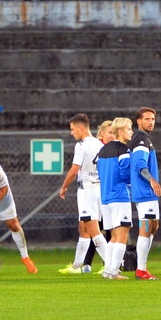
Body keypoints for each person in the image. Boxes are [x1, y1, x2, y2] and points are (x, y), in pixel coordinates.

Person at [58, 114, 109, 275]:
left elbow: (74, 170)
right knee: (84, 227)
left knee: (93, 229)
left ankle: (111, 265)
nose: (71, 133)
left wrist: (64, 187)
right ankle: (77, 265)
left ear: (81, 128)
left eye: (73, 129)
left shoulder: (81, 145)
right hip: (98, 188)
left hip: (87, 189)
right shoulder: (99, 144)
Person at [96, 117, 134, 280]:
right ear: (120, 131)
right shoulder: (124, 150)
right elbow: (126, 173)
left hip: (105, 197)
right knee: (122, 236)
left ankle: (108, 270)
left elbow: (99, 170)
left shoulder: (103, 150)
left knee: (113, 236)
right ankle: (113, 271)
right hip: (120, 196)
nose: (131, 132)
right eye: (129, 129)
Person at [129, 107, 161, 280]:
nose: (151, 122)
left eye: (153, 119)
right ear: (139, 121)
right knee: (147, 228)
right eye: (147, 119)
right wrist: (151, 180)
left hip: (148, 193)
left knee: (153, 227)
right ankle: (141, 269)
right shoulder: (141, 141)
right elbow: (139, 165)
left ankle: (143, 267)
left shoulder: (145, 139)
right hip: (145, 191)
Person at [79, 120, 114, 273]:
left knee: (106, 228)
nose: (112, 136)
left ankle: (106, 263)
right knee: (96, 227)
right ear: (102, 134)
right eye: (110, 133)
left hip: (106, 192)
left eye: (114, 132)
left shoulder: (112, 149)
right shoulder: (98, 148)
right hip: (96, 192)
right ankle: (88, 263)